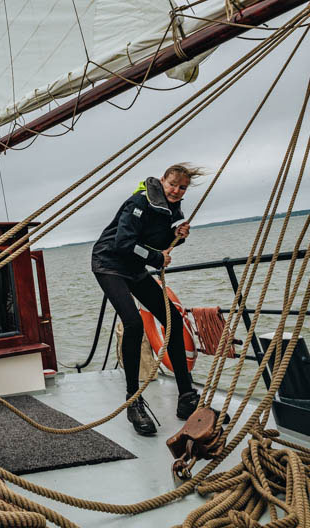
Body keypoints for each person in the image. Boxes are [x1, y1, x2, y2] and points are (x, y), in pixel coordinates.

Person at [91, 163, 203, 436]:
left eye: (182, 188)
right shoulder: (139, 203)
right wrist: (156, 258)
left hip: (133, 268)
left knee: (173, 322)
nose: (176, 191)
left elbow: (155, 239)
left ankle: (186, 397)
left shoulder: (170, 209)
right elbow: (123, 244)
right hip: (109, 264)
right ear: (162, 180)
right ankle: (133, 401)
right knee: (133, 324)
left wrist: (177, 237)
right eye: (173, 184)